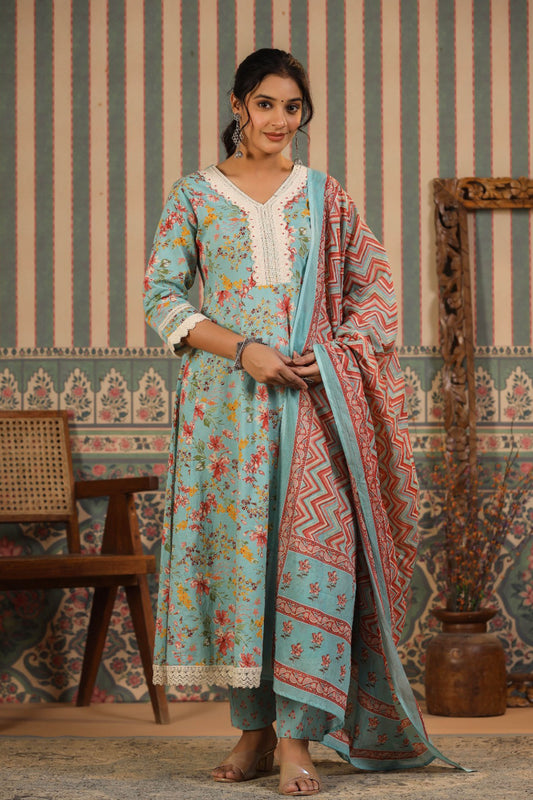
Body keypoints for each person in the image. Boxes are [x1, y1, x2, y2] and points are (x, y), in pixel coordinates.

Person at [144, 48, 456, 797]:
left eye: (293, 108)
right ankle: (252, 733)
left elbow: (375, 290)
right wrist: (244, 349)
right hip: (225, 415)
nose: (280, 120)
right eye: (266, 104)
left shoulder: (324, 195)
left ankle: (297, 739)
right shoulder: (194, 195)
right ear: (237, 105)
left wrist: (336, 351)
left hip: (314, 407)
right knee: (242, 567)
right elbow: (161, 298)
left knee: (310, 566)